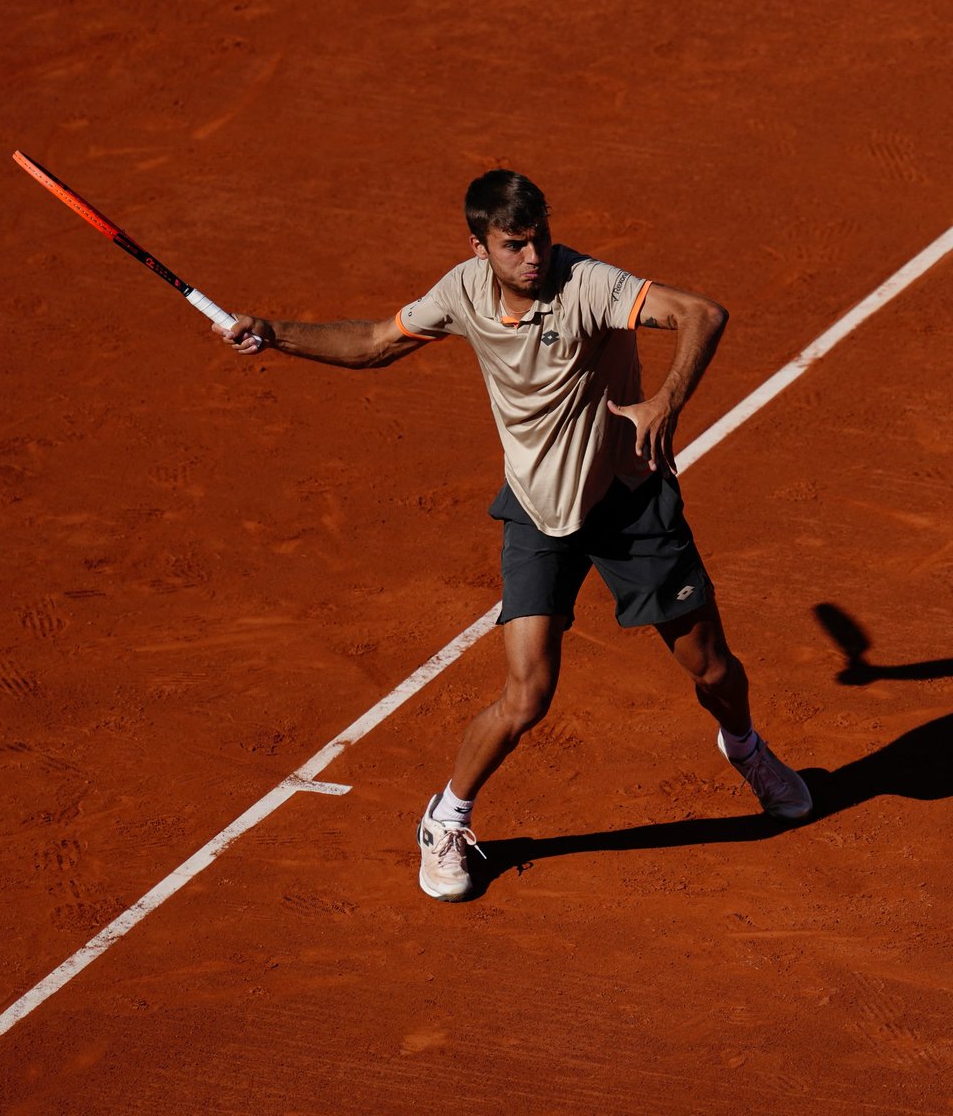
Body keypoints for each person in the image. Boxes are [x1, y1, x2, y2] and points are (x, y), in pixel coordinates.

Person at [215, 169, 812, 903]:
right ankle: (445, 819)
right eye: (514, 245)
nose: (534, 257)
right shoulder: (461, 292)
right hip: (537, 511)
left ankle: (745, 749)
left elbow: (702, 314)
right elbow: (373, 341)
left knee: (713, 670)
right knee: (527, 696)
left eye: (541, 240)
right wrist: (274, 332)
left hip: (629, 503)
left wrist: (663, 401)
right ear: (480, 247)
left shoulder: (589, 284)